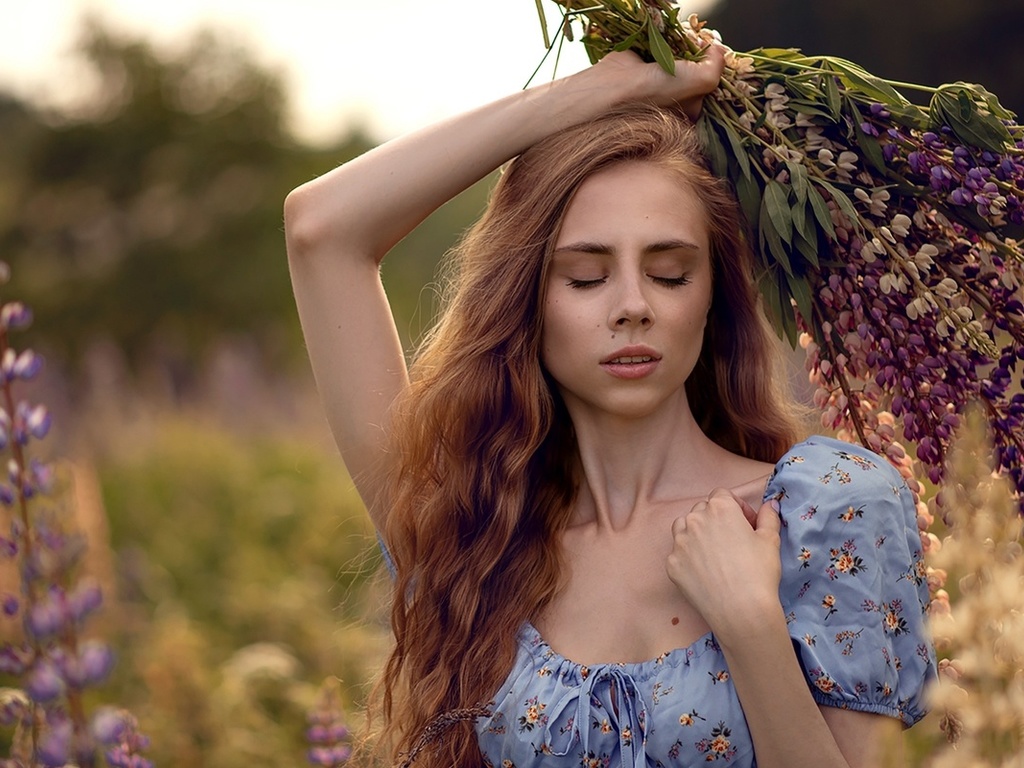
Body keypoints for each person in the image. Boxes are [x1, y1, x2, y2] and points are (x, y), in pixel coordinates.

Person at [283, 43, 935, 768]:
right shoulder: (471, 534)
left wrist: (751, 626)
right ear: (525, 301)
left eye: (668, 271)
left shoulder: (825, 510)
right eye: (586, 277)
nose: (632, 306)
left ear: (712, 293)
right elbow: (322, 229)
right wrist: (596, 93)